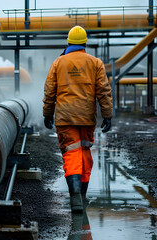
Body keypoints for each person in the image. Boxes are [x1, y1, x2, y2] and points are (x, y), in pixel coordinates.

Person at [43, 25, 113, 212]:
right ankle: (81, 196)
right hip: (87, 118)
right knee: (84, 153)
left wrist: (47, 113)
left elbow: (49, 91)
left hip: (65, 118)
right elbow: (104, 92)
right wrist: (107, 115)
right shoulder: (95, 62)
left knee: (72, 154)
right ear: (84, 43)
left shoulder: (59, 63)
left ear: (69, 42)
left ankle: (76, 200)